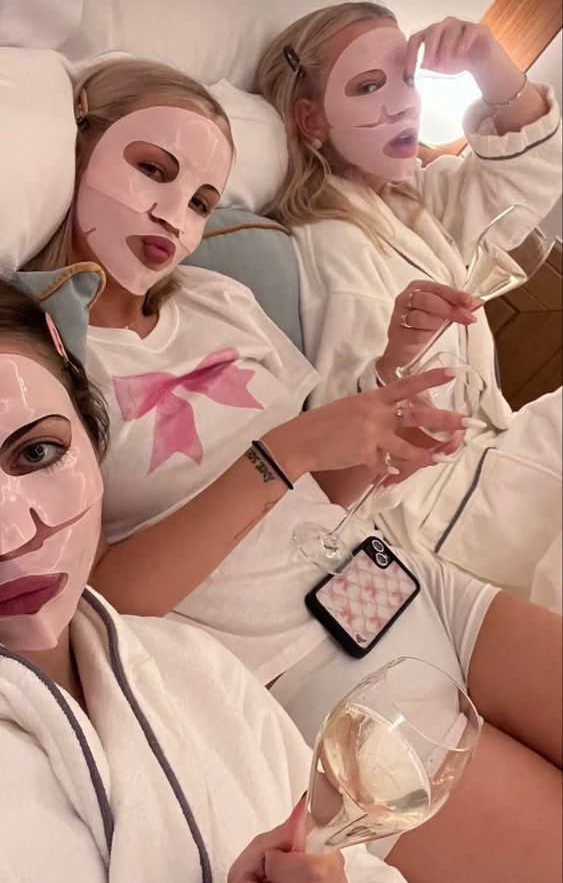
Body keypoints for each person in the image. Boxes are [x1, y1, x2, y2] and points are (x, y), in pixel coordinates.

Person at [23, 60, 562, 882]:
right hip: (306, 671)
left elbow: (322, 486)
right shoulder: (44, 362)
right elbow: (96, 604)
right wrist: (290, 450)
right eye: (153, 171)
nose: (176, 213)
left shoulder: (220, 299)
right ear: (79, 148)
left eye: (203, 201)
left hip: (406, 585)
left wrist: (382, 416)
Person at [0, 272, 395, 883]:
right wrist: (285, 453)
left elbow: (354, 865)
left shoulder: (196, 667)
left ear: (88, 437)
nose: (16, 534)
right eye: (151, 171)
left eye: (36, 453)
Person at [257, 3, 563, 608]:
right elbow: (350, 440)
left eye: (407, 79)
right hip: (443, 507)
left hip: (490, 455)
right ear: (310, 120)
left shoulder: (411, 197)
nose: (402, 104)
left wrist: (488, 63)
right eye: (369, 86)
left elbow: (522, 185)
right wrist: (398, 354)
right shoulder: (334, 247)